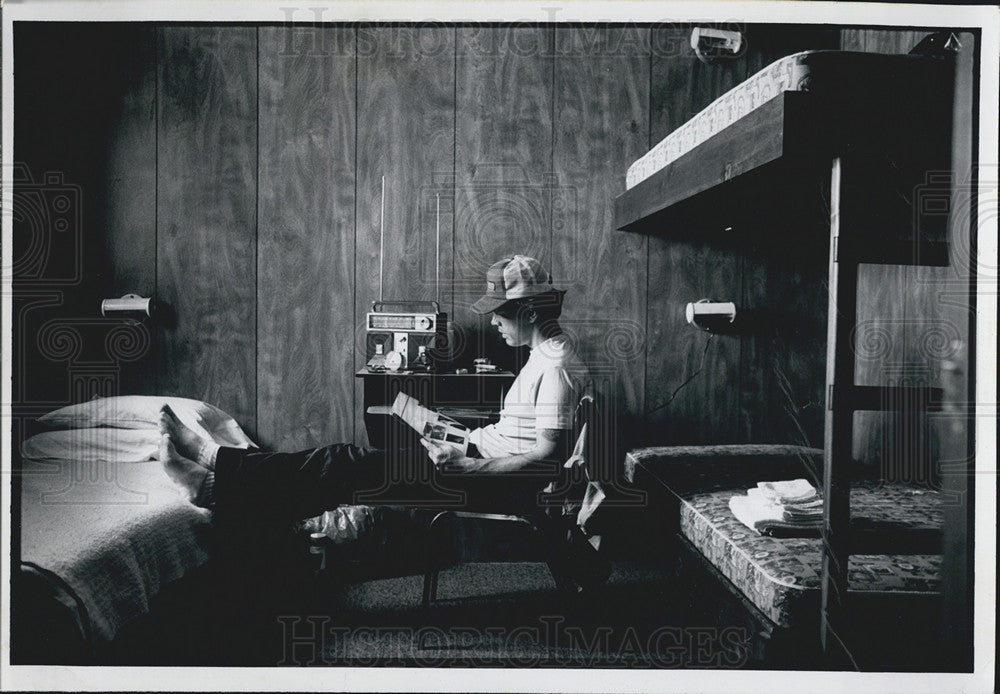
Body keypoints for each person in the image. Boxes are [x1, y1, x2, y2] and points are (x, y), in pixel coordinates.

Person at [159, 255, 589, 521]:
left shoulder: (557, 365)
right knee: (339, 467)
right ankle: (215, 480)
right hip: (474, 457)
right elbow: (522, 438)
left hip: (487, 480)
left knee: (342, 464)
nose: (493, 322)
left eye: (502, 313)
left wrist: (469, 467)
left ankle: (213, 465)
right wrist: (454, 435)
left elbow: (547, 461)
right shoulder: (546, 354)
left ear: (530, 310)